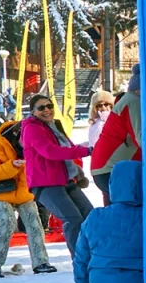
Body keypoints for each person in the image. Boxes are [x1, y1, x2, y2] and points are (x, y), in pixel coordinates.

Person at [22, 93, 96, 259]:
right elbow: (50, 152)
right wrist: (85, 151)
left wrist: (80, 159)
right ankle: (80, 260)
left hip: (66, 180)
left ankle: (93, 254)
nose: (47, 110)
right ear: (33, 111)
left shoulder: (54, 126)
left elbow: (67, 148)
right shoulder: (32, 128)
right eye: (41, 108)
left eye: (49, 106)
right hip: (46, 184)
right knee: (72, 218)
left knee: (90, 214)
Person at [0, 113, 53, 276]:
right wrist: (12, 165)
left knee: (34, 223)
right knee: (7, 222)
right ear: (17, 135)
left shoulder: (36, 148)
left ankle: (41, 263)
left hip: (23, 193)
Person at [91, 63, 143, 186]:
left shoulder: (127, 100)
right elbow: (142, 139)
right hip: (113, 169)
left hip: (106, 168)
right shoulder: (134, 101)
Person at [85, 91, 116, 203]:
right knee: (107, 198)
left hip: (111, 162)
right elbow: (93, 141)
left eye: (106, 104)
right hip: (99, 164)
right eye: (99, 105)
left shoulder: (114, 120)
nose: (103, 108)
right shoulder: (95, 123)